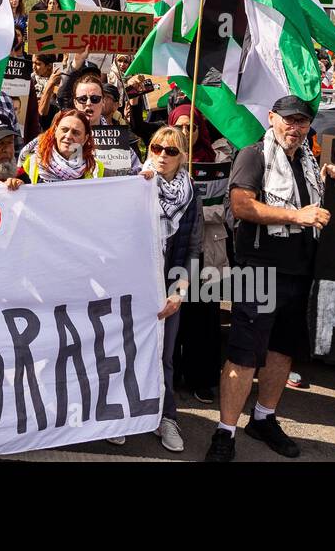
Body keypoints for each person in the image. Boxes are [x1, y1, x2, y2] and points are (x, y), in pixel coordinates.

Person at [205, 95, 335, 463]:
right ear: (271, 118)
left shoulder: (309, 161)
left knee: (282, 352)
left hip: (300, 271)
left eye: (302, 122)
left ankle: (264, 419)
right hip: (258, 269)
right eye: (288, 120)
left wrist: (333, 180)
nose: (295, 128)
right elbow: (241, 205)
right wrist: (295, 217)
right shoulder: (254, 155)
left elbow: (314, 206)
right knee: (244, 355)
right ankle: (225, 432)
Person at [111, 125, 200, 452]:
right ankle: (120, 415)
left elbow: (193, 248)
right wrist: (136, 191)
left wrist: (179, 291)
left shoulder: (190, 194)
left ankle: (167, 418)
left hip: (166, 288)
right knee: (125, 350)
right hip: (131, 286)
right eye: (156, 148)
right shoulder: (134, 184)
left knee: (164, 357)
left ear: (182, 158)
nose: (162, 155)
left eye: (171, 151)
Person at [171, 104, 231, 405]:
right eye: (180, 126)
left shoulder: (219, 160)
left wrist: (195, 211)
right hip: (174, 251)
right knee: (173, 313)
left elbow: (229, 209)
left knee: (204, 317)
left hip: (208, 248)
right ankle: (172, 373)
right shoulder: (164, 157)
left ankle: (203, 379)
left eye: (191, 127)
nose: (185, 132)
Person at [21, 109, 104, 182]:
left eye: (76, 133)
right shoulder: (32, 161)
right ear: (55, 131)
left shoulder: (95, 168)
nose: (68, 136)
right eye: (64, 130)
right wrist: (15, 183)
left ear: (85, 139)